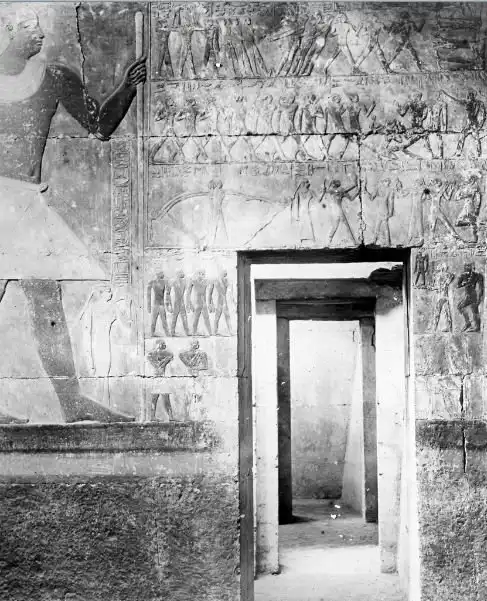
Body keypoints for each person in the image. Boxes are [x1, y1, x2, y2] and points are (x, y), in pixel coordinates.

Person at [0, 8, 146, 423]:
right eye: (29, 27)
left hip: (26, 202)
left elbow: (100, 126)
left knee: (47, 300)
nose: (40, 35)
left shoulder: (55, 77)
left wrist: (127, 88)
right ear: (8, 30)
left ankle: (72, 401)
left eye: (41, 27)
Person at [320, 178, 359, 245]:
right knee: (345, 226)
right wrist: (357, 191)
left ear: (334, 185)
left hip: (336, 210)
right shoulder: (339, 190)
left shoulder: (335, 190)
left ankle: (329, 240)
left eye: (333, 184)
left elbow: (327, 191)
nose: (332, 185)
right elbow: (351, 198)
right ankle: (354, 241)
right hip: (338, 210)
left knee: (336, 226)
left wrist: (325, 189)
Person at [457, 263, 484, 332]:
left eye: (469, 266)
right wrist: (463, 283)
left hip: (472, 294)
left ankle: (472, 325)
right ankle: (471, 324)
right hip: (468, 294)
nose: (468, 268)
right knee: (463, 307)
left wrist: (479, 297)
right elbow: (458, 285)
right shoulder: (464, 275)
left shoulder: (476, 275)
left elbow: (480, 287)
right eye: (467, 266)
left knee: (473, 309)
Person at [430, 264, 454, 332]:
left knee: (437, 313)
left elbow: (437, 287)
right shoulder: (446, 275)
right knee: (447, 313)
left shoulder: (439, 276)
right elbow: (451, 276)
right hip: (445, 297)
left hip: (441, 297)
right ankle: (450, 329)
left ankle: (434, 329)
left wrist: (434, 287)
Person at [147, 272, 172, 337]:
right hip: (156, 304)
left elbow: (168, 292)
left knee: (164, 321)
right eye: (160, 274)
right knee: (154, 321)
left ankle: (167, 333)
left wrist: (168, 305)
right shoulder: (152, 282)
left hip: (161, 305)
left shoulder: (164, 282)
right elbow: (148, 294)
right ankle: (152, 333)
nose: (162, 275)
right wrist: (148, 306)